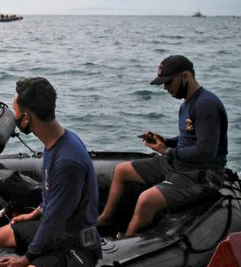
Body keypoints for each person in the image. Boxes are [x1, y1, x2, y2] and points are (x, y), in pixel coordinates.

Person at [0, 77, 101, 267]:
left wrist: (27, 259)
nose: (15, 119)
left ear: (26, 118)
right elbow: (55, 201)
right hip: (56, 229)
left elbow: (55, 222)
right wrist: (34, 213)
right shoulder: (55, 142)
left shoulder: (67, 161)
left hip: (74, 244)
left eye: (16, 113)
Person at [97, 55, 228, 236]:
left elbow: (206, 152)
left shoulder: (206, 105)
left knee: (146, 200)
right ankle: (104, 219)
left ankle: (124, 244)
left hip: (202, 174)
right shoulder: (186, 105)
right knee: (121, 170)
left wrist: (168, 151)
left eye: (168, 82)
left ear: (185, 76)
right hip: (178, 164)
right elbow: (189, 138)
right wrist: (166, 141)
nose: (165, 88)